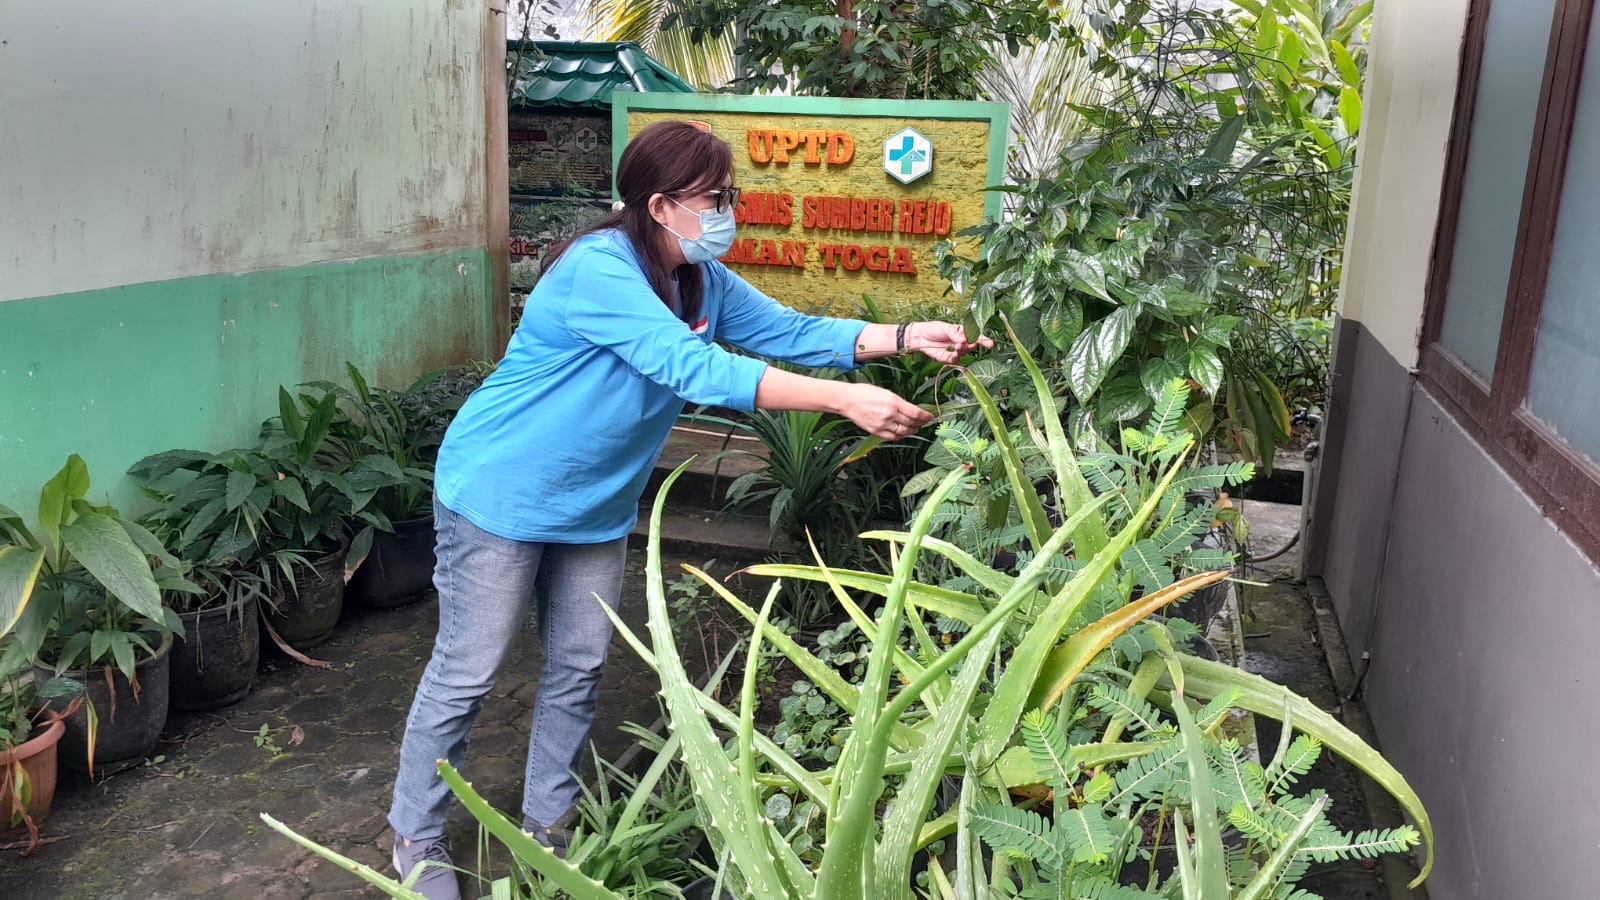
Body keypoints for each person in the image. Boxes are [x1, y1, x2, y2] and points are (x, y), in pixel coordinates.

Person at [387, 119, 992, 899]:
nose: (727, 212)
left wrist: (906, 335)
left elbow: (791, 331)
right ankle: (417, 834)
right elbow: (694, 370)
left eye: (730, 195)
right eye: (715, 198)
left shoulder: (700, 279)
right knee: (469, 672)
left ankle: (548, 826)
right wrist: (843, 400)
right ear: (662, 204)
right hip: (502, 495)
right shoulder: (599, 270)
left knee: (579, 667)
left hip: (596, 506)